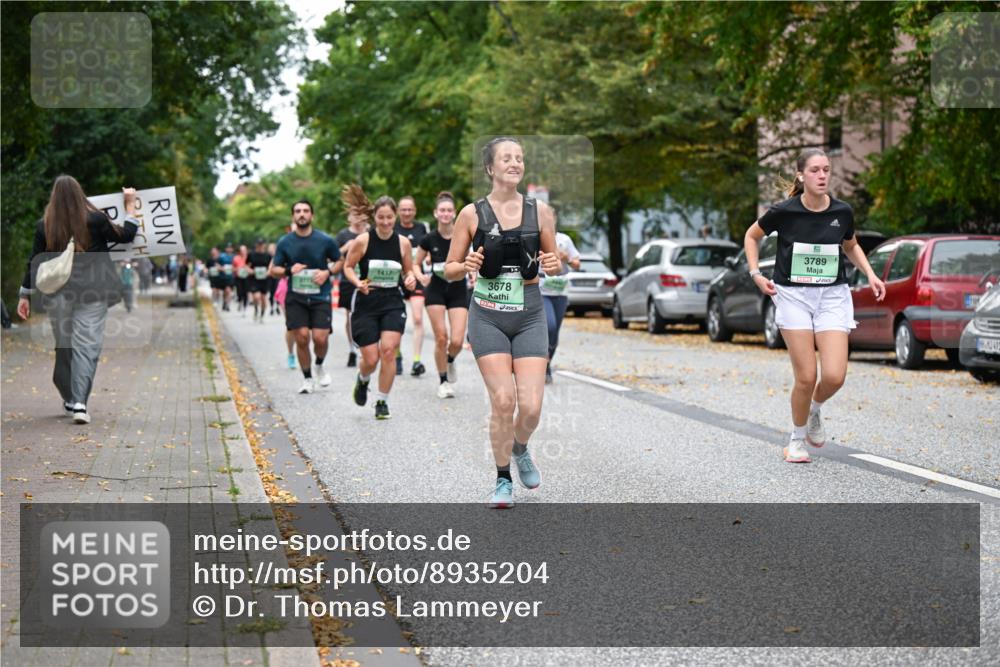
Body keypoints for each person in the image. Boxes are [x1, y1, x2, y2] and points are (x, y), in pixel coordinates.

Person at [744, 148, 886, 464]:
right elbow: (751, 237)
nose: (822, 176)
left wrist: (871, 274)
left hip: (832, 295)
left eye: (826, 170)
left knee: (834, 376)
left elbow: (851, 245)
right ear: (800, 175)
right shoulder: (783, 211)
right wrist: (756, 274)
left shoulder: (842, 212)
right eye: (815, 170)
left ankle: (814, 410)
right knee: (806, 376)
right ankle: (796, 440)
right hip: (793, 295)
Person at [443, 137, 561, 508]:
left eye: (520, 158)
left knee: (531, 408)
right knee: (503, 400)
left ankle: (520, 448)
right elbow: (449, 269)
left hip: (528, 312)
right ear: (491, 169)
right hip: (488, 314)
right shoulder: (471, 214)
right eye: (506, 158)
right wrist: (466, 267)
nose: (515, 163)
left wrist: (556, 264)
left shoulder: (541, 212)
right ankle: (502, 479)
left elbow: (552, 258)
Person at [17, 176, 140, 424]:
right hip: (94, 293)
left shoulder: (45, 225)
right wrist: (130, 206)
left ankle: (69, 396)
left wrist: (24, 295)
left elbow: (34, 260)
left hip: (58, 295)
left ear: (54, 197)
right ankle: (80, 403)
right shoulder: (95, 219)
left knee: (64, 346)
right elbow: (126, 235)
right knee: (88, 346)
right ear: (79, 194)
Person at [343, 194, 417, 420]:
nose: (385, 222)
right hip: (367, 302)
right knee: (371, 359)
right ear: (374, 217)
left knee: (388, 351)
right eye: (381, 217)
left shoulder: (403, 243)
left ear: (395, 217)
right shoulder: (363, 241)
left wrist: (411, 278)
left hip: (392, 302)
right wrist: (358, 283)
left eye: (389, 217)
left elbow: (408, 270)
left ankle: (382, 401)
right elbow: (348, 266)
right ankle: (363, 380)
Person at [270, 200, 341, 393]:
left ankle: (319, 364)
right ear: (293, 216)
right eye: (298, 211)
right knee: (301, 338)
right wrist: (288, 270)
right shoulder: (285, 242)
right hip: (296, 297)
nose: (302, 214)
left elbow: (340, 261)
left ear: (312, 215)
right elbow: (274, 269)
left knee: (320, 338)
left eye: (306, 211)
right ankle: (308, 378)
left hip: (320, 296)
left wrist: (327, 272)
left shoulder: (325, 240)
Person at [414, 191, 470, 399]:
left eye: (449, 210)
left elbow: (472, 259)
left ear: (454, 213)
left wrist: (471, 270)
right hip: (436, 290)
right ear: (436, 213)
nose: (445, 214)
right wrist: (420, 276)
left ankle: (450, 359)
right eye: (442, 211)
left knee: (456, 341)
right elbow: (415, 263)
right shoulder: (428, 239)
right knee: (441, 337)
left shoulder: (463, 236)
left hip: (457, 289)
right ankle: (443, 381)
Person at [395, 195, 430, 376]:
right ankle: (397, 354)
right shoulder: (393, 228)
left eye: (410, 209)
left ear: (414, 211)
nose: (407, 212)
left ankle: (416, 360)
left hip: (415, 277)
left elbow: (426, 250)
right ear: (398, 211)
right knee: (395, 319)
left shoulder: (421, 228)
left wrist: (429, 259)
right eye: (403, 209)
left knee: (417, 318)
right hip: (396, 278)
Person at [540, 229, 581, 384]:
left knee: (555, 332)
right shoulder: (536, 236)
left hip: (560, 290)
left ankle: (546, 365)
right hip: (542, 290)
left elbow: (577, 263)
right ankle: (542, 364)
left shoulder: (565, 239)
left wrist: (566, 259)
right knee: (549, 326)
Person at [334, 197, 370, 367]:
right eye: (354, 214)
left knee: (367, 315)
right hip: (349, 279)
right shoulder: (343, 235)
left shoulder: (371, 233)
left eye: (360, 214)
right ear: (349, 217)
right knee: (351, 315)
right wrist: (345, 247)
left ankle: (366, 347)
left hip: (368, 278)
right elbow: (333, 257)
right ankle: (352, 349)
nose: (357, 217)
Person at [247, 238, 272, 322]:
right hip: (254, 279)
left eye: (262, 244)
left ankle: (262, 315)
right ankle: (256, 310)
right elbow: (247, 266)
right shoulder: (251, 255)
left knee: (264, 299)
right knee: (256, 297)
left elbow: (271, 267)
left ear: (264, 245)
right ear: (256, 245)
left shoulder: (268, 255)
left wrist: (268, 272)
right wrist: (250, 271)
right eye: (259, 244)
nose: (260, 246)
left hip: (265, 279)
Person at [233, 244, 250, 314]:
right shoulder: (236, 258)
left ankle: (245, 307)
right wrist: (238, 269)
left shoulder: (249, 258)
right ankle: (240, 301)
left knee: (245, 292)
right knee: (239, 291)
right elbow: (233, 268)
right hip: (238, 277)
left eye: (244, 250)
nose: (243, 251)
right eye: (241, 250)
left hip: (246, 277)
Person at [218, 243, 235, 311]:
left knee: (229, 291)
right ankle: (224, 302)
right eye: (228, 247)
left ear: (232, 249)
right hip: (223, 276)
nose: (229, 249)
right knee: (225, 291)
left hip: (231, 276)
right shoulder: (222, 256)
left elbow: (237, 266)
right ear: (226, 249)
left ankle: (228, 305)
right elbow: (217, 265)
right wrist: (222, 269)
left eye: (230, 248)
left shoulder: (234, 257)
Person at [266, 242, 280, 316]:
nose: (271, 250)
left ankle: (277, 306)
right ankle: (271, 307)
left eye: (272, 249)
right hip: (270, 277)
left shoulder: (279, 256)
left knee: (277, 292)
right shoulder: (267, 257)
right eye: (270, 249)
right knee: (271, 293)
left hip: (277, 277)